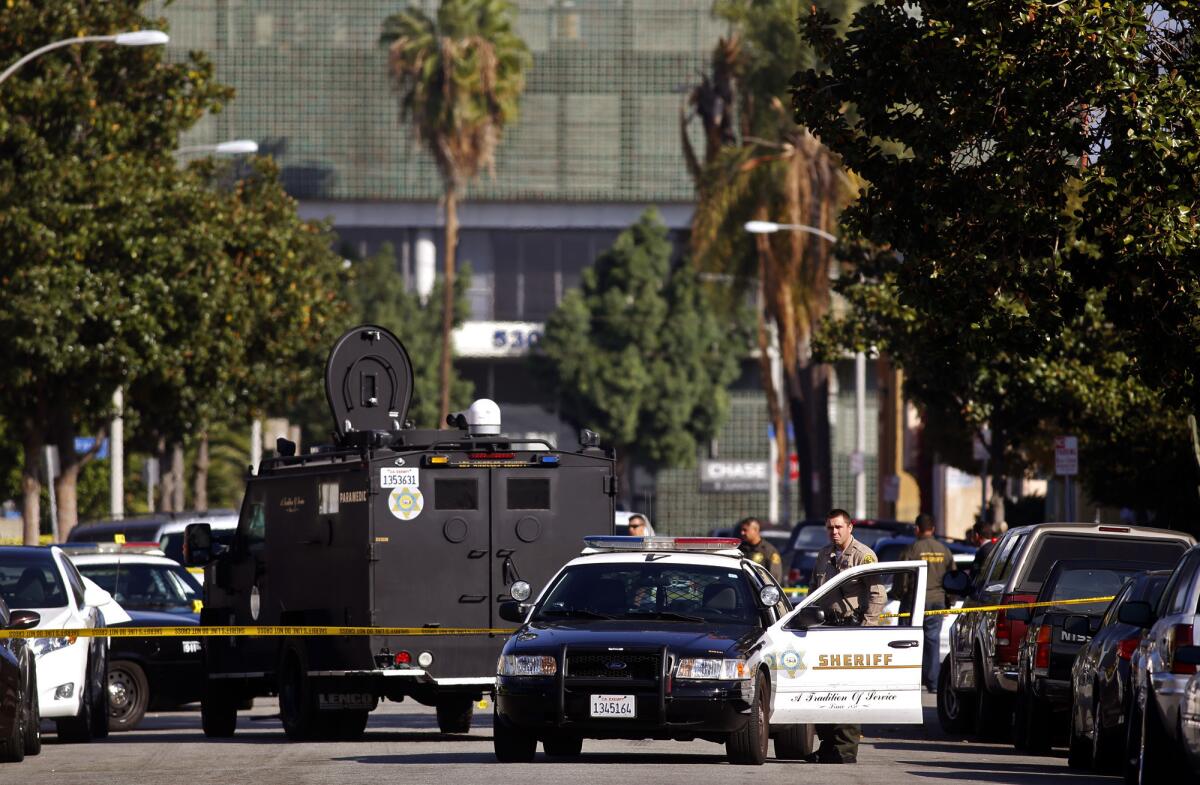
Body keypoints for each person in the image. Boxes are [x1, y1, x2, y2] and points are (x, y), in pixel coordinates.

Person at [808, 509, 887, 764]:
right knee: (824, 692)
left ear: (850, 527)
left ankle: (845, 750)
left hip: (852, 631)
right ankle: (828, 745)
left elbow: (877, 595)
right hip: (825, 631)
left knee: (848, 692)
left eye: (839, 527)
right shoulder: (823, 555)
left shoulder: (864, 556)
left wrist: (866, 630)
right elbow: (813, 592)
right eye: (830, 527)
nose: (834, 532)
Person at [900, 513, 956, 692]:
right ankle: (933, 683)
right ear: (933, 529)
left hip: (915, 602)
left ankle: (911, 680)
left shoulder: (912, 549)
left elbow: (902, 577)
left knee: (911, 641)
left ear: (917, 529)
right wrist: (949, 602)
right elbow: (953, 578)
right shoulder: (944, 550)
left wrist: (900, 595)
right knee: (932, 641)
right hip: (937, 601)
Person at [736, 516, 783, 582]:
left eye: (745, 530)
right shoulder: (740, 549)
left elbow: (775, 577)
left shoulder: (769, 551)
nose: (742, 533)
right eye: (741, 530)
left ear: (755, 530)